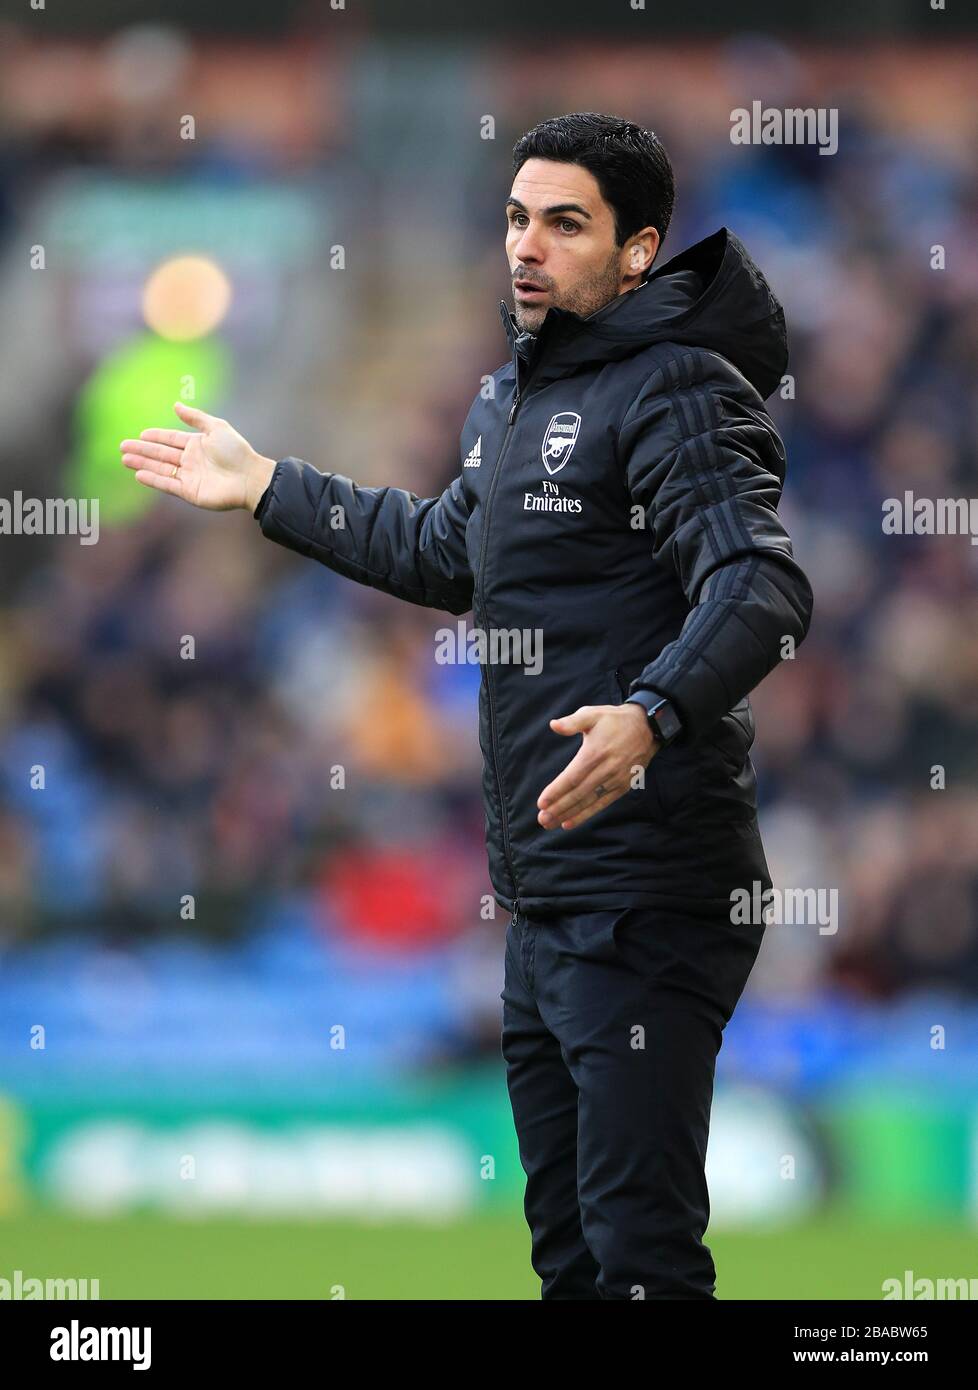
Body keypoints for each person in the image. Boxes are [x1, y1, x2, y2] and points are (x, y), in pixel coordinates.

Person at [120, 111, 813, 1300]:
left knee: (639, 1256)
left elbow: (762, 583)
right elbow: (449, 553)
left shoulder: (676, 384)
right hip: (549, 894)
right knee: (573, 1262)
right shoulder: (512, 396)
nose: (526, 246)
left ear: (639, 250)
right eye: (514, 218)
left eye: (565, 223)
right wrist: (272, 487)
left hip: (649, 884)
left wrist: (650, 711)